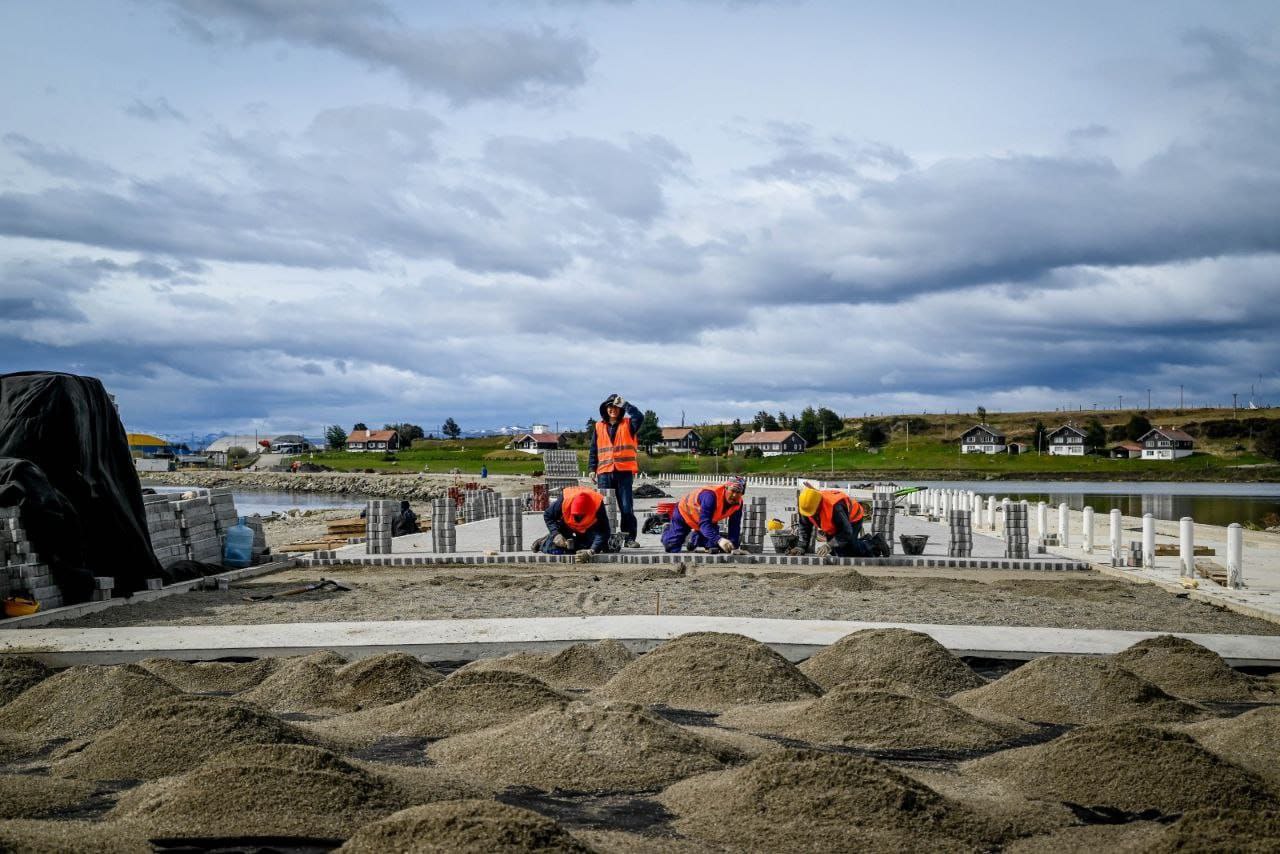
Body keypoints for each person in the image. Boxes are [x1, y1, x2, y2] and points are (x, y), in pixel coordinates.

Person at [589, 393, 644, 548]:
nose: (613, 409)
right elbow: (593, 449)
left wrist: (625, 404)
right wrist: (592, 468)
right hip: (604, 472)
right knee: (604, 507)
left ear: (620, 409)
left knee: (626, 507)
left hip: (623, 473)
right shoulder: (599, 426)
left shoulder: (629, 424)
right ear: (605, 409)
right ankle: (604, 538)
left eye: (616, 407)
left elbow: (639, 416)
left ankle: (629, 538)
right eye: (610, 407)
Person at [662, 476, 746, 553]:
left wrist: (733, 547)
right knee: (672, 547)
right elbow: (704, 524)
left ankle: (694, 539)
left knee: (713, 547)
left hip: (704, 520)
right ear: (726, 488)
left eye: (738, 492)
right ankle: (668, 529)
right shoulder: (710, 496)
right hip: (684, 514)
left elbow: (735, 525)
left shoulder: (738, 503)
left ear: (742, 493)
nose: (734, 495)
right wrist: (719, 540)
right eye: (732, 491)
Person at [790, 487, 871, 557]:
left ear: (819, 505)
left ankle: (874, 543)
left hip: (853, 517)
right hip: (834, 523)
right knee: (834, 551)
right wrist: (801, 546)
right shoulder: (806, 506)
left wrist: (829, 545)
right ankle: (864, 540)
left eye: (814, 513)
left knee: (847, 551)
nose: (811, 515)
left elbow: (846, 531)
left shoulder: (835, 507)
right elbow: (804, 526)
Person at [542, 485, 611, 562]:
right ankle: (543, 542)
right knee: (554, 547)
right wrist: (555, 533)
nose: (579, 518)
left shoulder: (597, 505)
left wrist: (591, 551)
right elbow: (548, 515)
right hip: (567, 524)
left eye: (581, 516)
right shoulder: (563, 501)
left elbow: (604, 531)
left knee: (597, 546)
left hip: (589, 528)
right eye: (576, 516)